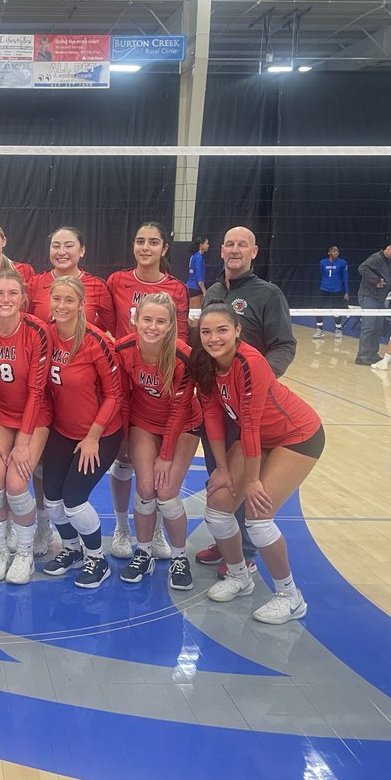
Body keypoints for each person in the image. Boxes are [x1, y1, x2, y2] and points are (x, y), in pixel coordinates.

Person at [192, 303, 325, 625]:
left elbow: (250, 425)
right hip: (260, 439)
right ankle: (240, 576)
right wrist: (222, 468)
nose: (213, 338)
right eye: (206, 332)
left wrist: (251, 481)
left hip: (297, 435)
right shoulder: (205, 363)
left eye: (222, 329)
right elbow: (211, 416)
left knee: (258, 516)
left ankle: (290, 596)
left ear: (238, 330)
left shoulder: (250, 363)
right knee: (218, 505)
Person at [195, 226, 297, 578]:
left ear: (254, 251)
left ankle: (246, 553)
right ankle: (227, 543)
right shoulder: (216, 291)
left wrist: (256, 385)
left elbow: (285, 344)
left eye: (243, 245)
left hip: (250, 409)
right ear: (221, 250)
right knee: (220, 476)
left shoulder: (268, 293)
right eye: (229, 244)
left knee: (246, 480)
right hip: (216, 403)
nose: (235, 250)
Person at [105, 222, 189, 563]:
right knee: (125, 462)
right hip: (128, 379)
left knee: (157, 478)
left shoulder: (176, 289)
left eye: (153, 242)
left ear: (164, 249)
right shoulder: (117, 281)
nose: (145, 247)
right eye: (140, 241)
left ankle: (151, 530)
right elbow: (111, 330)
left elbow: (179, 337)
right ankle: (122, 527)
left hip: (163, 381)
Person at [40, 276, 123, 589]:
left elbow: (115, 395)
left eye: (69, 300)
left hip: (100, 434)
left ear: (81, 304)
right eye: (57, 299)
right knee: (52, 502)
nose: (62, 306)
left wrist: (93, 438)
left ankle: (97, 558)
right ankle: (72, 550)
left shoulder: (95, 340)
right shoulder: (46, 335)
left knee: (74, 501)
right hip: (63, 431)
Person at [114, 293, 201, 590]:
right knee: (146, 488)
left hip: (185, 425)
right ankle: (144, 552)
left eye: (160, 321)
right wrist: (124, 437)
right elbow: (123, 396)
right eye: (147, 319)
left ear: (171, 325)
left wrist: (165, 454)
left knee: (166, 492)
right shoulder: (123, 348)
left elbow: (179, 411)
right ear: (136, 319)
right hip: (144, 422)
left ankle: (179, 558)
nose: (152, 327)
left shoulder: (183, 357)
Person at [0, 271, 50, 584]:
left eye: (12, 293)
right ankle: (2, 548)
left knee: (16, 484)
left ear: (23, 298)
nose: (5, 299)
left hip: (35, 415)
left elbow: (36, 391)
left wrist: (22, 443)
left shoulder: (36, 331)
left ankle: (25, 553)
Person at [27, 226, 114, 330]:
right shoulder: (35, 283)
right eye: (56, 246)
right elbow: (24, 322)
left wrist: (88, 333)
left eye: (68, 246)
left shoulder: (97, 286)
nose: (61, 252)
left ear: (81, 251)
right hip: (44, 346)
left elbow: (111, 326)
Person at [355, 241, 391, 365]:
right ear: (390, 248)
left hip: (379, 298)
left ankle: (372, 354)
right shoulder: (376, 257)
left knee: (377, 327)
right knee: (369, 326)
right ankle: (362, 355)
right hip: (369, 296)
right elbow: (362, 268)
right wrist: (376, 280)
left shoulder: (388, 262)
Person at [314, 246, 349, 339]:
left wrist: (346, 291)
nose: (336, 253)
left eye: (337, 251)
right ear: (329, 252)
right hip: (324, 287)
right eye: (334, 251)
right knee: (319, 308)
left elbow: (345, 277)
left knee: (337, 309)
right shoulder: (322, 262)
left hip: (337, 289)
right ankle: (320, 329)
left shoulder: (342, 262)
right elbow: (322, 274)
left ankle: (338, 329)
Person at [186, 237, 209, 311]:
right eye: (207, 243)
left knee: (191, 313)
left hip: (190, 287)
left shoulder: (193, 256)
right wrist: (205, 292)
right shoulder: (199, 258)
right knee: (195, 315)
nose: (208, 245)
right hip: (196, 289)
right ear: (201, 245)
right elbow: (199, 277)